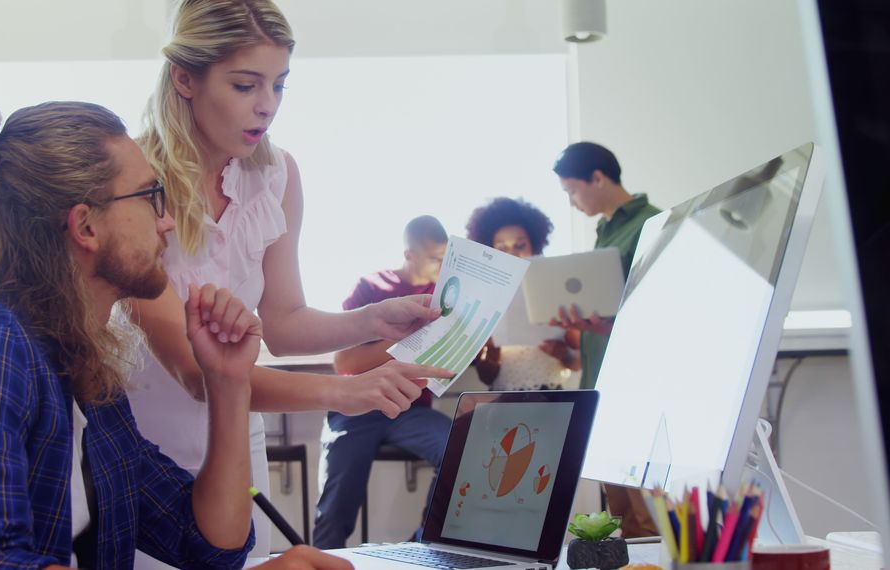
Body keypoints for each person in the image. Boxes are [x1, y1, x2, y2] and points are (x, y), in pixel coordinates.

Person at [0, 101, 349, 570]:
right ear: (85, 227)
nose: (168, 223)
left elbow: (208, 545)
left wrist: (229, 382)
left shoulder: (82, 369)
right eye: (152, 197)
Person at [129, 0, 450, 560]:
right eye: (245, 85)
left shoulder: (276, 175)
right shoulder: (133, 182)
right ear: (184, 78)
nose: (268, 105)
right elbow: (199, 375)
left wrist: (372, 320)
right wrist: (345, 392)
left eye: (279, 85)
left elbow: (282, 323)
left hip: (236, 442)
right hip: (144, 445)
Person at [313, 215, 453, 549]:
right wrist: (408, 339)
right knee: (336, 505)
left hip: (409, 409)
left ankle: (421, 548)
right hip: (357, 408)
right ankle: (322, 558)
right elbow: (345, 362)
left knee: (457, 450)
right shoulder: (370, 288)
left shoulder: (441, 297)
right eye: (436, 259)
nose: (442, 267)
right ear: (409, 255)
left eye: (446, 259)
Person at [552, 141, 661, 538]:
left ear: (597, 178)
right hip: (602, 380)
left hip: (636, 384)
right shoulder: (606, 229)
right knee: (619, 505)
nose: (572, 202)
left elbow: (657, 310)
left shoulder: (652, 223)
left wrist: (608, 325)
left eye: (572, 190)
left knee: (646, 511)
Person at [464, 197, 581, 391]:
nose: (512, 255)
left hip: (552, 397)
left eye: (520, 246)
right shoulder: (485, 300)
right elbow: (486, 377)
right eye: (502, 248)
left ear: (534, 246)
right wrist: (490, 351)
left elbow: (577, 364)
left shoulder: (556, 291)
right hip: (504, 398)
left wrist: (562, 355)